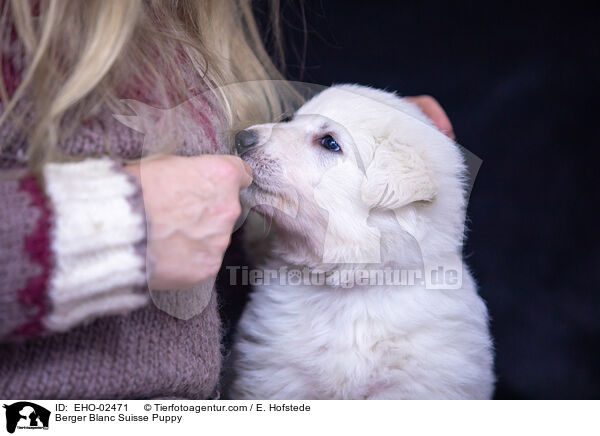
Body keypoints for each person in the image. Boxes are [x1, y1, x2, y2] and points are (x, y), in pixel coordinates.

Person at [0, 0, 454, 399]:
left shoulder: (182, 24)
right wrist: (112, 225)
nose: (255, 138)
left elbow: (205, 238)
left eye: (327, 143)